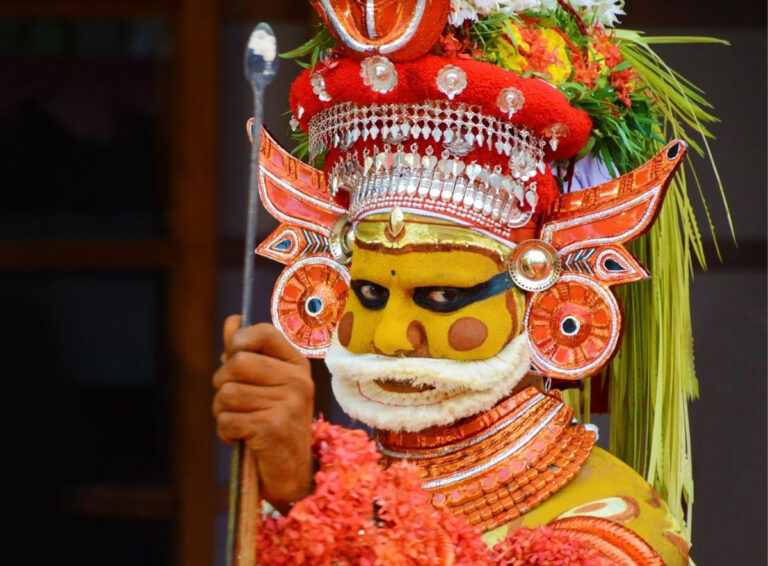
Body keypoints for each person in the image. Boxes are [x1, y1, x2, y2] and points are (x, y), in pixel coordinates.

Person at [213, 1, 719, 563]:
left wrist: (307, 496)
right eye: (370, 295)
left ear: (543, 298)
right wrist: (297, 495)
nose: (390, 337)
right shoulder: (326, 484)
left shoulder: (607, 525)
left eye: (443, 297)